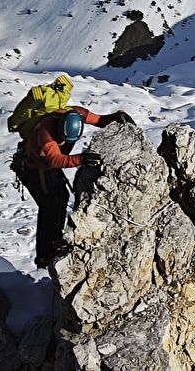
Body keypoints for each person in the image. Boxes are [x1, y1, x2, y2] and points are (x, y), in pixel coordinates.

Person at [16, 102, 134, 268]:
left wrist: (117, 116)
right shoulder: (45, 133)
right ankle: (47, 254)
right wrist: (81, 159)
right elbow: (56, 160)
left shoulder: (77, 114)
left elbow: (99, 120)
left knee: (59, 200)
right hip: (35, 171)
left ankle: (53, 246)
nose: (65, 141)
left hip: (44, 167)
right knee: (51, 206)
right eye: (64, 138)